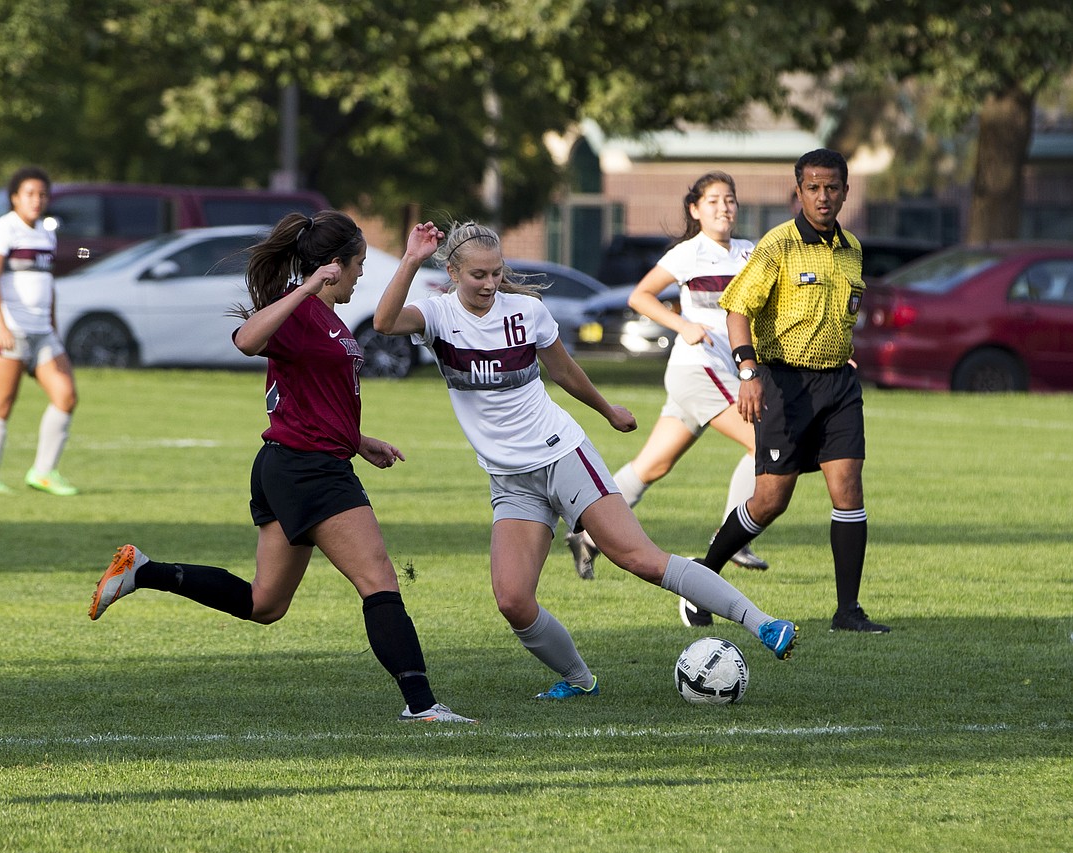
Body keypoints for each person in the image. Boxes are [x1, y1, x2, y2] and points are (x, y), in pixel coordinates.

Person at [374, 220, 798, 701]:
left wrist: (608, 410)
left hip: (562, 455)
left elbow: (565, 371)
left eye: (497, 273)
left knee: (638, 557)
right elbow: (385, 323)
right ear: (452, 271)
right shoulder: (437, 314)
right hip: (510, 481)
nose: (490, 284)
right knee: (513, 600)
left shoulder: (527, 312)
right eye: (478, 276)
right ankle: (580, 681)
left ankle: (764, 624)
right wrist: (409, 260)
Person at [88, 209, 475, 722]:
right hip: (307, 470)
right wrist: (308, 288)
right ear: (334, 266)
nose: (360, 276)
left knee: (265, 604)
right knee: (379, 579)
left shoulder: (326, 318)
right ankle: (422, 706)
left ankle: (142, 570)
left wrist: (358, 440)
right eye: (357, 266)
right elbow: (247, 341)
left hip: (293, 464)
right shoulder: (301, 310)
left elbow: (308, 395)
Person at [683, 148, 890, 634]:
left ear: (845, 191)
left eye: (832, 187)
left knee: (849, 489)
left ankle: (848, 612)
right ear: (798, 192)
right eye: (813, 188)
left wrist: (840, 347)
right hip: (783, 383)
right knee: (771, 500)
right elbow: (737, 309)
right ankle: (699, 578)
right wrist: (748, 371)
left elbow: (839, 311)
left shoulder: (852, 249)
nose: (823, 196)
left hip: (838, 384)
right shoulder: (777, 245)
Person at [564, 171, 768, 581]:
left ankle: (586, 533)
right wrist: (683, 326)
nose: (723, 207)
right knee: (763, 441)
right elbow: (640, 296)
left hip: (718, 372)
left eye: (729, 199)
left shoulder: (751, 252)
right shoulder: (688, 253)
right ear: (695, 209)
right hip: (698, 368)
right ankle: (731, 537)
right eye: (712, 201)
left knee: (651, 467)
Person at [0, 165, 78, 496]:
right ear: (15, 197)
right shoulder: (1, 230)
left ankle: (43, 473)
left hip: (42, 331)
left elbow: (47, 284)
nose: (37, 200)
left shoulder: (46, 232)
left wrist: (53, 327)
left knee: (66, 396)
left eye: (42, 194)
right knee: (2, 402)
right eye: (30, 194)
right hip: (9, 329)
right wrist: (2, 325)